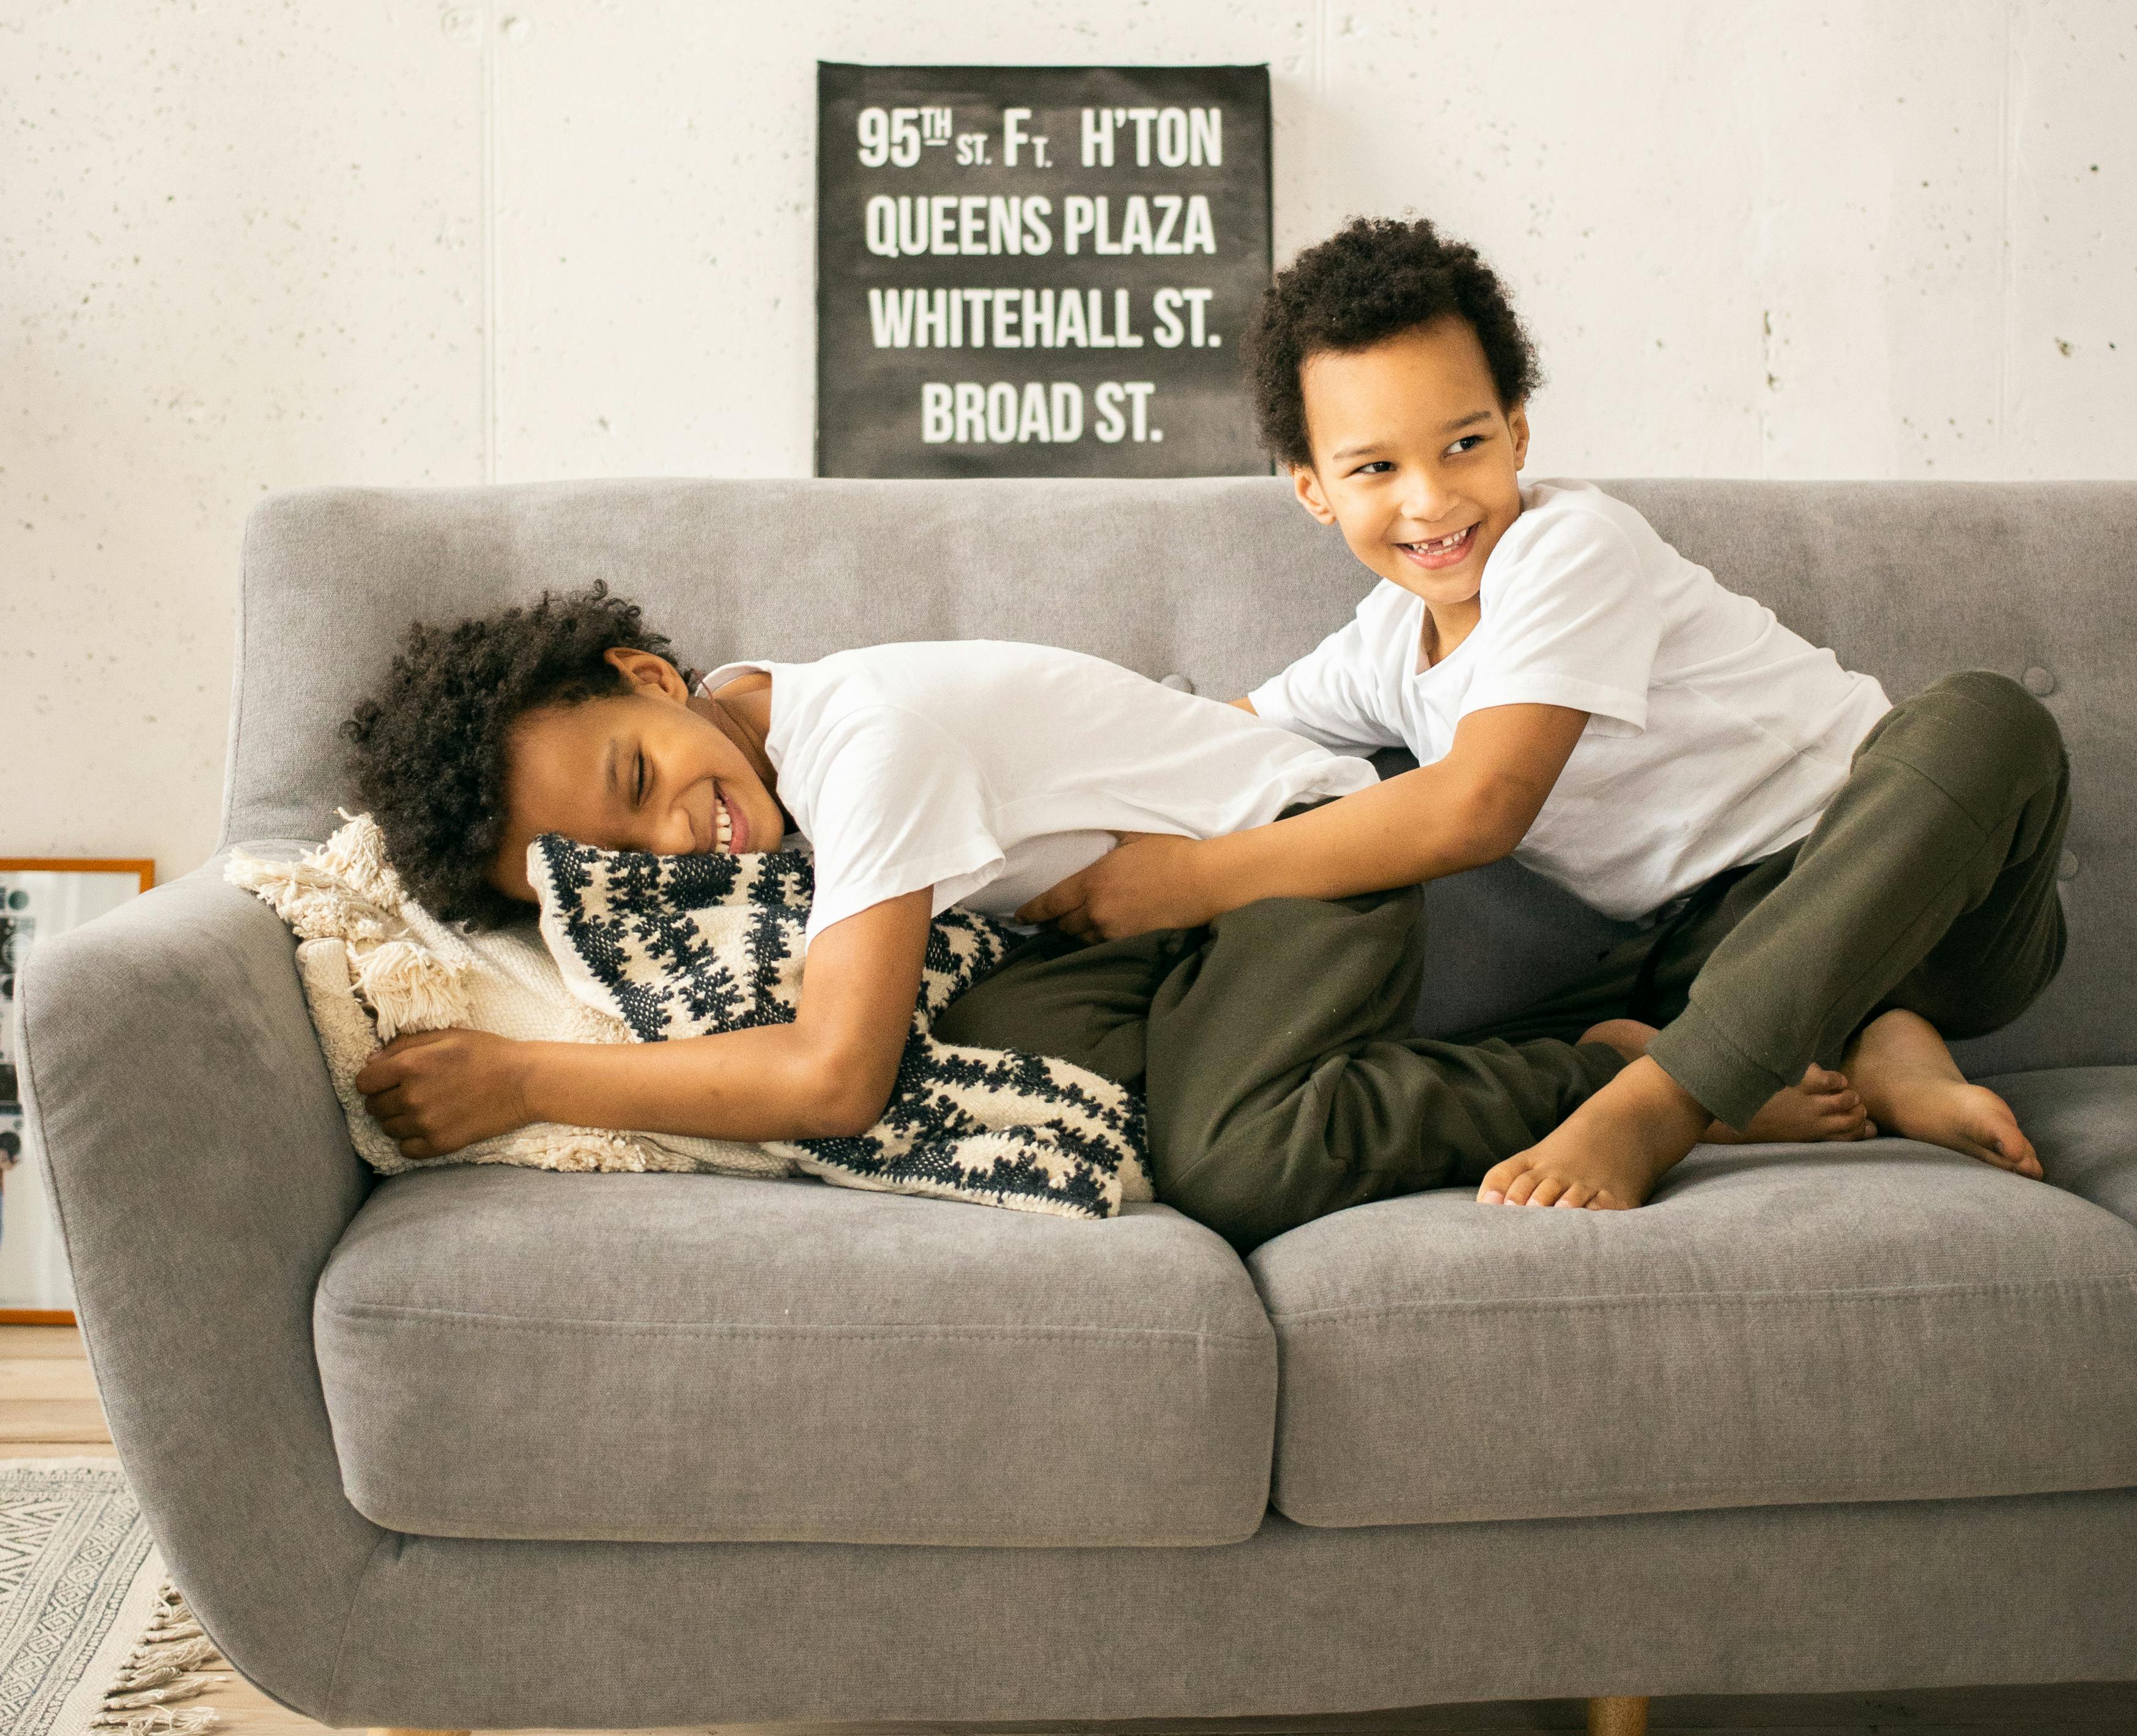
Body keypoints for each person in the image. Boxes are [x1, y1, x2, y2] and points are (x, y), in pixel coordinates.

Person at [1020, 214, 2068, 1215]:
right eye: (1375, 467)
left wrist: (1192, 878)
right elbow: (1207, 751)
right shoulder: (1382, 646)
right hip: (1706, 958)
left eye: (1463, 444)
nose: (1430, 499)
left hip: (1922, 892)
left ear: (1516, 433)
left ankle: (1661, 1103)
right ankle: (1873, 1056)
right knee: (1375, 1072)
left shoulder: (1569, 548)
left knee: (1983, 721)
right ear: (1312, 490)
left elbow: (1480, 805)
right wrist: (1039, 836)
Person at [339, 589, 1866, 1244]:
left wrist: (526, 1078)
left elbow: (832, 1072)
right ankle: (1568, 1055)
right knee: (1006, 1039)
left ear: (653, 678)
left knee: (1234, 1158)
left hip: (1302, 866)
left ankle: (1630, 1082)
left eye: (637, 773)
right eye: (613, 848)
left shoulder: (860, 736)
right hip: (1150, 944)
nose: (677, 836)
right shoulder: (765, 785)